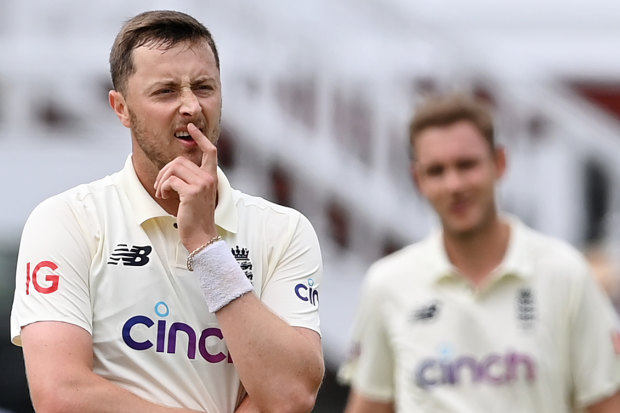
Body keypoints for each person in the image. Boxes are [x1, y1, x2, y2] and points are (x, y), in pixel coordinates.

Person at [10, 10, 324, 413]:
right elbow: (62, 395)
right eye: (166, 91)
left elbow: (290, 396)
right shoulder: (67, 219)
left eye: (204, 87)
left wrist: (206, 248)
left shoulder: (284, 230)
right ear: (121, 108)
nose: (191, 106)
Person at [338, 94, 620, 412]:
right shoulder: (387, 283)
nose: (454, 184)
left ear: (500, 163)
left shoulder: (565, 273)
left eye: (466, 165)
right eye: (437, 171)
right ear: (418, 180)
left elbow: (606, 404)